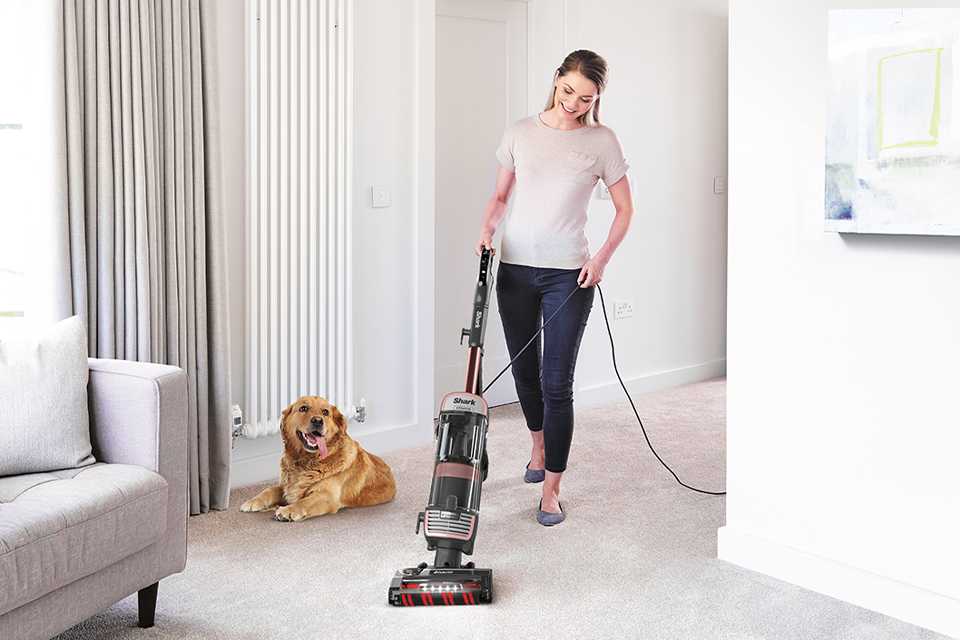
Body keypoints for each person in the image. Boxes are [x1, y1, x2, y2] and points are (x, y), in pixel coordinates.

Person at [474, 49, 634, 526]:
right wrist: (487, 229)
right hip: (515, 271)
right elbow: (500, 196)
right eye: (568, 91)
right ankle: (538, 446)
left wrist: (600, 259)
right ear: (556, 80)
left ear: (597, 97)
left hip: (569, 275)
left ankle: (551, 490)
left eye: (586, 98)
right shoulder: (520, 133)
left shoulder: (602, 141)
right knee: (525, 374)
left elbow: (625, 210)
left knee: (556, 383)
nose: (574, 103)